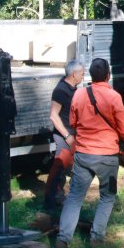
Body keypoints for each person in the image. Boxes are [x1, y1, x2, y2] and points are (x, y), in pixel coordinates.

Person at [55, 57, 124, 248]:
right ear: (108, 76)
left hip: (83, 154)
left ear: (90, 74)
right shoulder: (114, 97)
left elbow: (72, 123)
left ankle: (63, 239)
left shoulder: (79, 94)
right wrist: (122, 137)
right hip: (107, 155)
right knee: (107, 196)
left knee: (74, 197)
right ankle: (96, 239)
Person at [42, 59, 85, 216]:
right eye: (82, 73)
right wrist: (67, 136)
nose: (84, 75)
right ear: (74, 74)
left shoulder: (73, 88)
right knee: (58, 168)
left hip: (71, 135)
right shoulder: (61, 90)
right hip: (64, 136)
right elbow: (53, 116)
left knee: (65, 170)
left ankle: (59, 199)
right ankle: (49, 203)